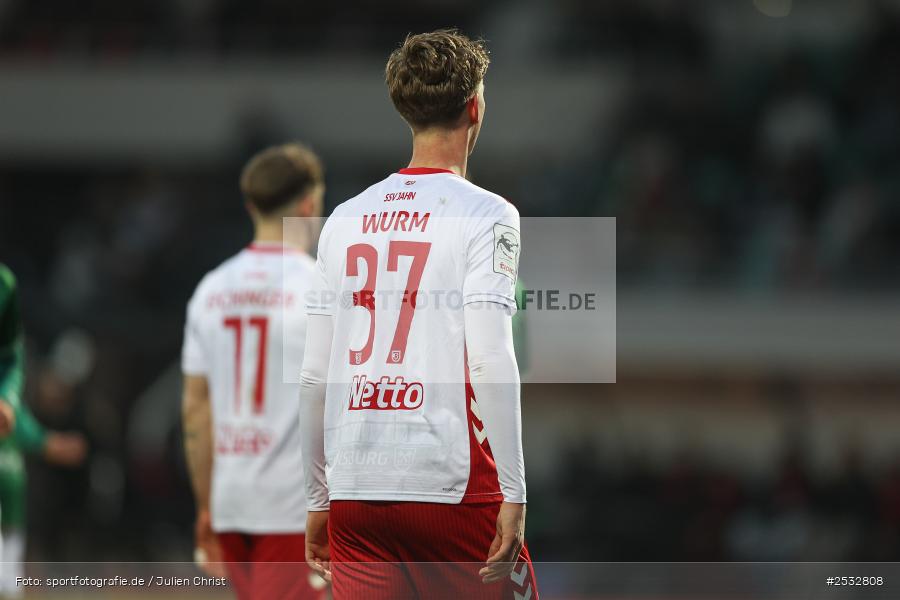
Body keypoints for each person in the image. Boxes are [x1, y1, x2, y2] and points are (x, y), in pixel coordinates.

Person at [298, 29, 539, 600]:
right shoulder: (489, 214)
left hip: (357, 488)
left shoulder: (344, 219)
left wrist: (317, 498)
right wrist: (514, 489)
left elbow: (313, 376)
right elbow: (489, 356)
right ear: (476, 106)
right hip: (451, 486)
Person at [181, 143, 327, 600]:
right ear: (310, 203)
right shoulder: (321, 288)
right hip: (293, 511)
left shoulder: (210, 289)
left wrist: (206, 505)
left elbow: (195, 414)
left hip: (231, 503)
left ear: (251, 205)